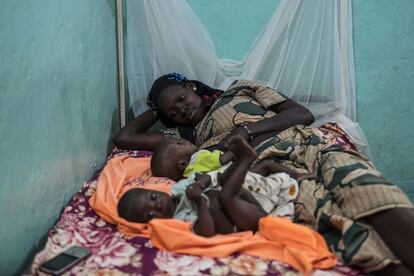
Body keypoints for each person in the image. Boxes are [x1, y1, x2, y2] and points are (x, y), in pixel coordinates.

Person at [114, 73, 414, 275]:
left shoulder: (241, 89)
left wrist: (247, 130)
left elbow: (302, 114)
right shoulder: (188, 135)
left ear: (192, 87)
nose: (181, 111)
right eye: (173, 112)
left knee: (363, 187)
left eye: (181, 99)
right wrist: (157, 107)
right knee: (330, 217)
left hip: (305, 143)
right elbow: (124, 138)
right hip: (268, 174)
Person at [118, 136, 298, 236]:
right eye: (150, 214)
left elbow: (198, 178)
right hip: (246, 221)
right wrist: (201, 203)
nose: (157, 206)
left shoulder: (177, 190)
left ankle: (239, 162)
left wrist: (201, 182)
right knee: (224, 196)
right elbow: (206, 231)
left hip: (244, 200)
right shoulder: (176, 221)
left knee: (220, 180)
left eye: (153, 197)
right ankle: (245, 159)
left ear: (155, 191)